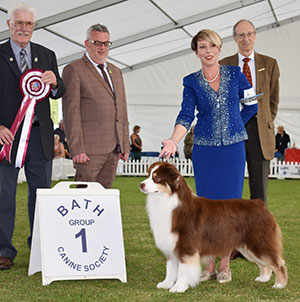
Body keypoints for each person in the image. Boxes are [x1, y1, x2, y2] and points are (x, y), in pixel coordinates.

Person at [160, 29, 257, 284]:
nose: (208, 51)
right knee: (205, 208)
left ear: (220, 49)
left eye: (212, 46)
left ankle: (225, 262)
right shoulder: (191, 81)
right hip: (204, 151)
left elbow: (252, 105)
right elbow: (185, 115)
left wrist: (235, 125)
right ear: (196, 52)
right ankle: (210, 263)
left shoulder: (236, 74)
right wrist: (173, 140)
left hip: (233, 151)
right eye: (202, 47)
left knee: (230, 208)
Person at [0, 2, 65, 270]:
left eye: (28, 24)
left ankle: (40, 246)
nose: (23, 28)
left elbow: (58, 92)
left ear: (34, 26)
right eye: (19, 23)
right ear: (9, 24)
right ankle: (4, 250)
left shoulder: (46, 54)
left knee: (41, 195)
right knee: (4, 196)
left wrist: (54, 83)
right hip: (7, 137)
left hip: (40, 137)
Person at [219, 19, 280, 205]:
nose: (246, 39)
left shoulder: (269, 64)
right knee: (229, 187)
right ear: (234, 38)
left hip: (259, 132)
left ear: (255, 36)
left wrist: (264, 121)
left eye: (249, 34)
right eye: (241, 35)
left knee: (259, 192)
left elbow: (273, 100)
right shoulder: (224, 65)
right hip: (233, 130)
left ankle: (259, 233)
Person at [62, 24, 130, 189]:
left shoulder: (116, 71)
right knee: (83, 198)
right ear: (87, 44)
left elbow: (122, 110)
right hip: (88, 152)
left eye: (106, 43)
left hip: (114, 149)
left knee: (104, 199)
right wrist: (77, 148)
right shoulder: (74, 69)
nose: (102, 47)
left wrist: (125, 144)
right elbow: (71, 113)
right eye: (97, 43)